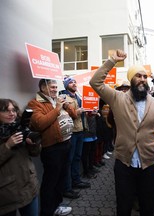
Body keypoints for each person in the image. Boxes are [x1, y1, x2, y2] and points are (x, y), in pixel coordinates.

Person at [89, 49, 154, 216]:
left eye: (145, 76)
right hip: (124, 165)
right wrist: (112, 61)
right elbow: (95, 83)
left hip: (150, 165)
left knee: (148, 207)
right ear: (131, 79)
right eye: (138, 76)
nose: (142, 79)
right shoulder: (118, 98)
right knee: (123, 207)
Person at [28, 79, 75, 216]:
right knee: (51, 181)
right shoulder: (35, 103)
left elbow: (73, 114)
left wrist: (66, 106)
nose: (55, 89)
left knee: (61, 177)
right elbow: (40, 124)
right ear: (43, 87)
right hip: (52, 148)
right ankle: (47, 211)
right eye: (52, 87)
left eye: (56, 87)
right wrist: (57, 109)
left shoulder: (57, 100)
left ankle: (57, 206)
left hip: (66, 144)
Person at [0, 99, 40, 216]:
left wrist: (33, 144)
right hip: (7, 194)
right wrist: (7, 146)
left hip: (29, 187)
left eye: (13, 110)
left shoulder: (20, 128)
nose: (11, 113)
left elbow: (35, 153)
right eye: (5, 111)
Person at [61, 77, 91, 199]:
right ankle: (67, 188)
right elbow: (68, 114)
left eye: (74, 82)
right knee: (69, 160)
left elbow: (82, 113)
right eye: (71, 82)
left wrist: (90, 112)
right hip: (71, 133)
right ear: (66, 85)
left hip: (80, 131)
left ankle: (76, 180)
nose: (74, 84)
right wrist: (78, 111)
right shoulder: (63, 97)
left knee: (77, 158)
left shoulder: (78, 96)